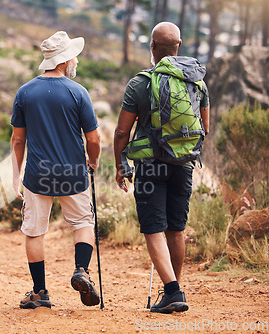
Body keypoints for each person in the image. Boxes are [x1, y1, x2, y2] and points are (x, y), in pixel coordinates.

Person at [113, 22, 210, 314]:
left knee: (153, 228)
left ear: (152, 47)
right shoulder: (197, 82)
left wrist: (121, 165)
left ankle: (171, 291)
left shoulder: (140, 83)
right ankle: (175, 288)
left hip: (150, 165)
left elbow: (121, 132)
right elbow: (205, 127)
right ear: (178, 46)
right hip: (184, 163)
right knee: (176, 229)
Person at [11, 31, 101, 309]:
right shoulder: (78, 92)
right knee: (83, 223)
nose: (76, 60)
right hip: (73, 173)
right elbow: (94, 139)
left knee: (35, 231)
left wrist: (17, 175)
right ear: (64, 61)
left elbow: (17, 139)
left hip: (38, 174)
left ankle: (39, 293)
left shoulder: (25, 92)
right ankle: (81, 271)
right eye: (73, 55)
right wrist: (93, 161)